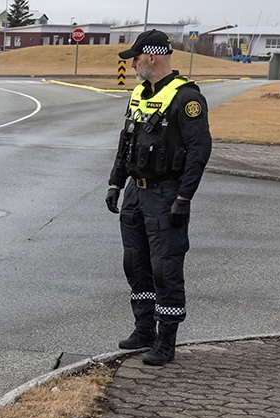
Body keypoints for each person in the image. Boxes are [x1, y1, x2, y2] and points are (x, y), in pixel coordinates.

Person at [105, 29, 212, 366]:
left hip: (167, 194)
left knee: (165, 268)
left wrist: (184, 197)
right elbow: (127, 142)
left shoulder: (186, 98)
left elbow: (199, 150)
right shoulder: (139, 93)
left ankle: (166, 342)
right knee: (135, 264)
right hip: (136, 192)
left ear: (150, 57)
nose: (132, 65)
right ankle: (144, 329)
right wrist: (115, 184)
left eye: (134, 59)